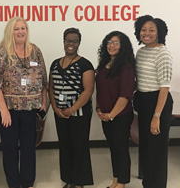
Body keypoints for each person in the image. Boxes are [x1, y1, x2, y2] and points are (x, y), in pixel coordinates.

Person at [0, 16, 48, 188]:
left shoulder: (35, 51)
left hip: (31, 109)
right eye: (16, 28)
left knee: (29, 147)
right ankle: (13, 183)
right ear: (10, 32)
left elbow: (43, 80)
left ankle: (28, 182)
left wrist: (43, 102)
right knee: (10, 148)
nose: (20, 31)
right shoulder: (2, 52)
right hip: (9, 110)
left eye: (23, 28)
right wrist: (4, 111)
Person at [49, 27, 94, 188]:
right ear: (63, 41)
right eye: (68, 40)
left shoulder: (85, 64)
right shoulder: (55, 64)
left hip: (79, 113)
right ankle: (68, 179)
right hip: (60, 113)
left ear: (79, 43)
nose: (71, 44)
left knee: (79, 146)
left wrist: (71, 109)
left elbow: (88, 91)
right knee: (65, 146)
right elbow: (51, 87)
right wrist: (55, 108)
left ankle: (79, 181)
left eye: (74, 41)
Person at [134, 15, 173, 188]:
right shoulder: (141, 52)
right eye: (143, 29)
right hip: (143, 101)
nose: (147, 33)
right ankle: (148, 183)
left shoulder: (163, 53)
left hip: (158, 102)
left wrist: (156, 115)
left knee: (157, 150)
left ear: (159, 33)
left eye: (151, 30)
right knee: (146, 147)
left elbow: (165, 87)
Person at [95, 31, 136, 188]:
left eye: (116, 43)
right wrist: (99, 108)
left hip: (120, 116)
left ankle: (122, 183)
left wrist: (111, 115)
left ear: (123, 46)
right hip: (106, 115)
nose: (111, 45)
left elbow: (125, 96)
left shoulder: (125, 67)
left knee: (120, 149)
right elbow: (100, 89)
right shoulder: (104, 65)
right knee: (113, 148)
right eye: (109, 42)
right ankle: (115, 180)